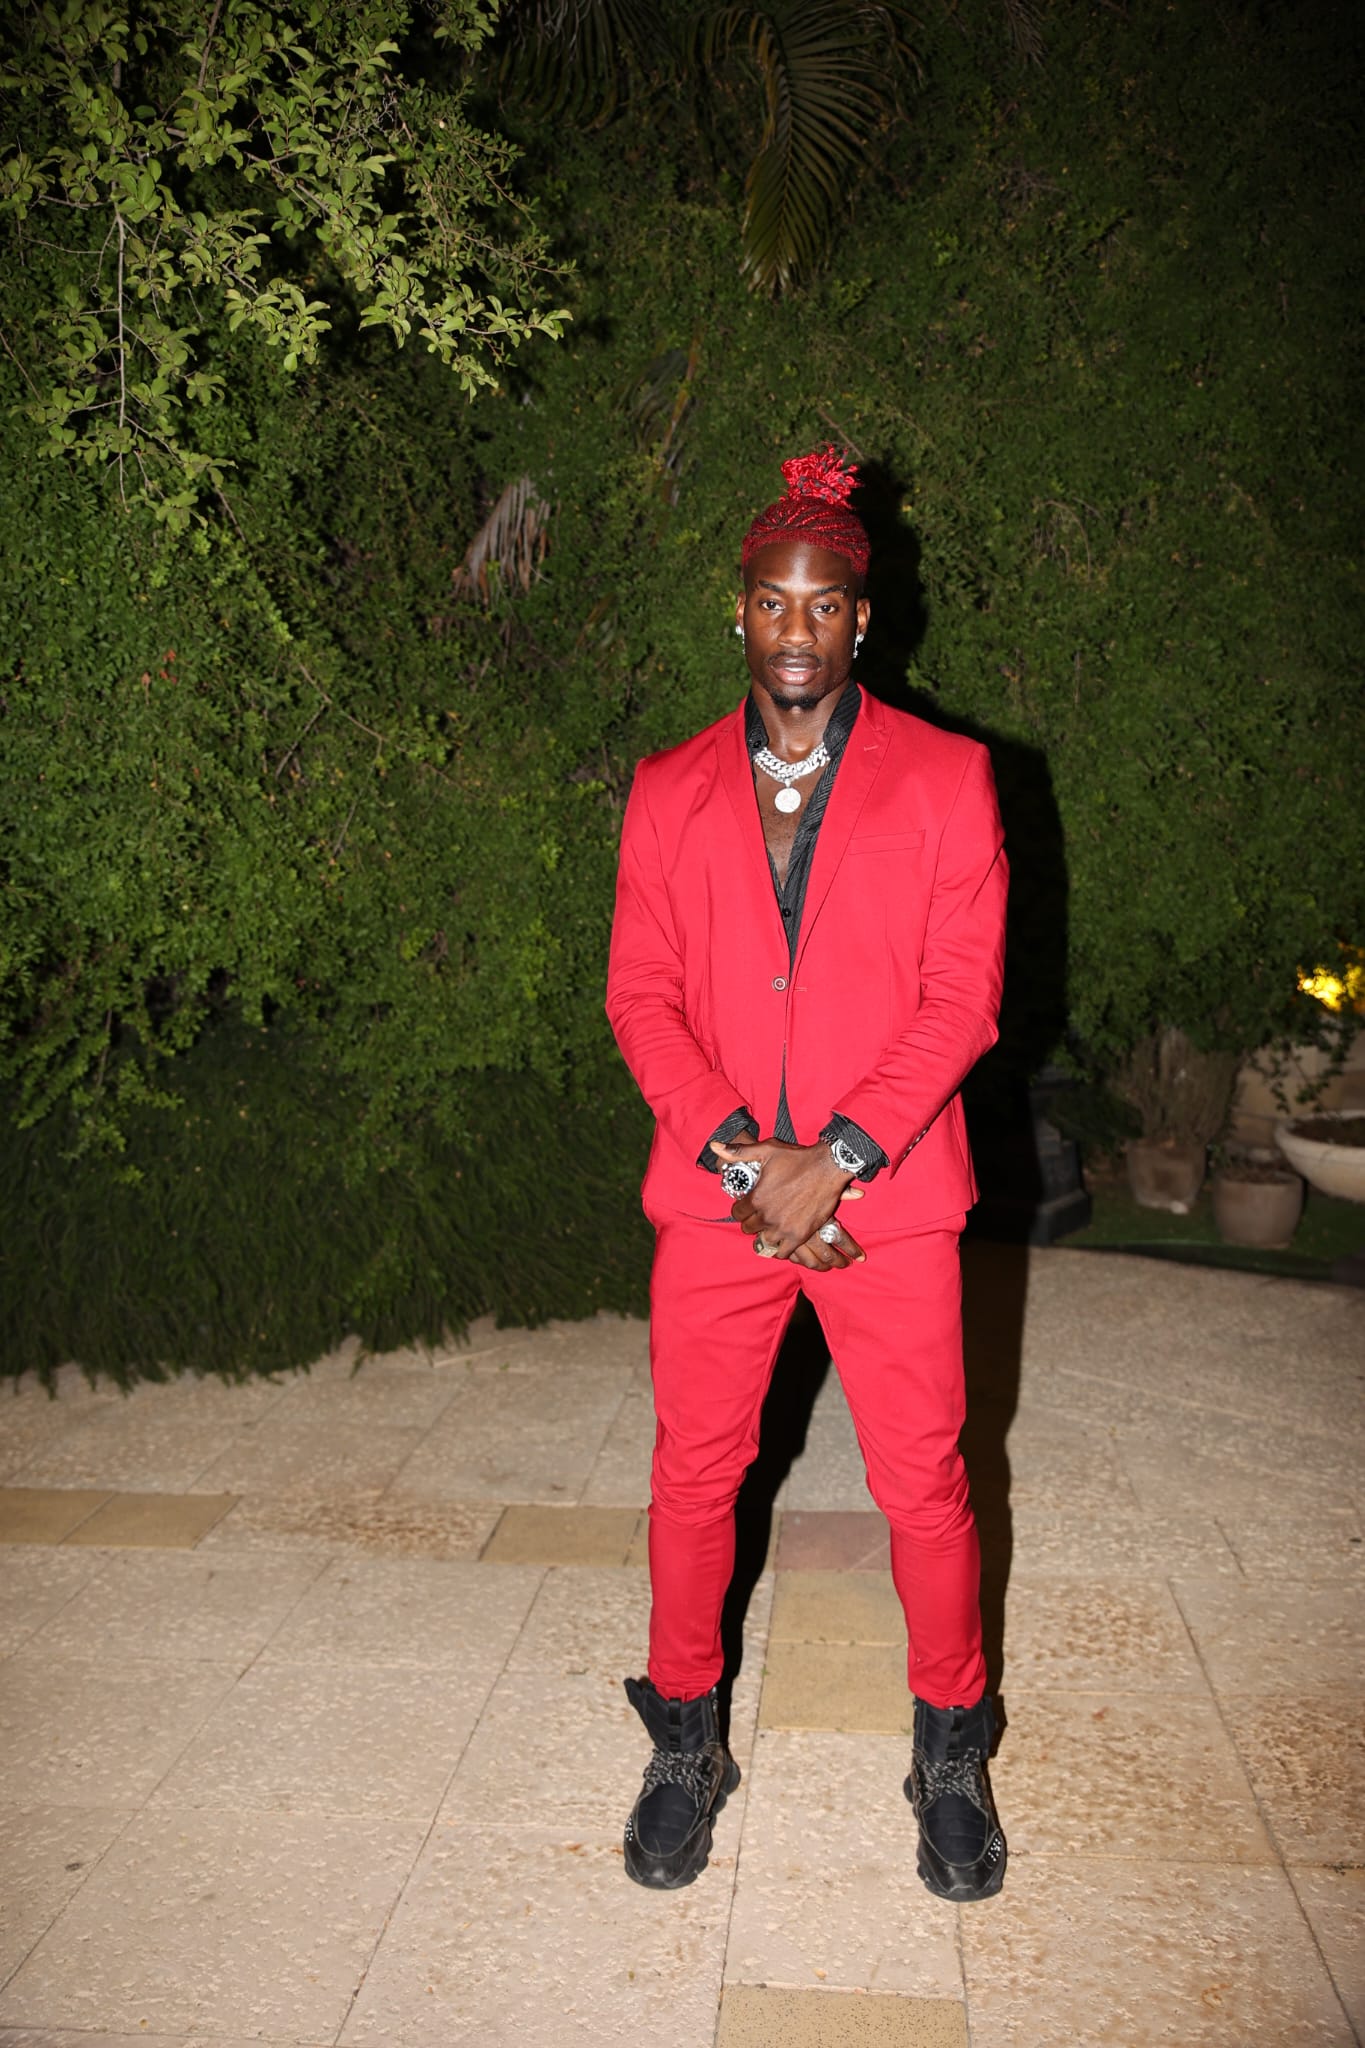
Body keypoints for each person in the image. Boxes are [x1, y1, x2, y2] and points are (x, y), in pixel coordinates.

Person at [605, 447, 1009, 1902]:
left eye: (821, 605)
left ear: (861, 619)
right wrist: (747, 1167)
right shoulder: (666, 788)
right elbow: (640, 996)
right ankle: (684, 1737)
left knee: (925, 1484)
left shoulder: (948, 779)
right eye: (771, 602)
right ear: (738, 613)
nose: (795, 629)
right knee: (692, 1473)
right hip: (718, 1197)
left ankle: (949, 1748)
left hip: (884, 1199)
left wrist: (831, 1164)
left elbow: (961, 1000)